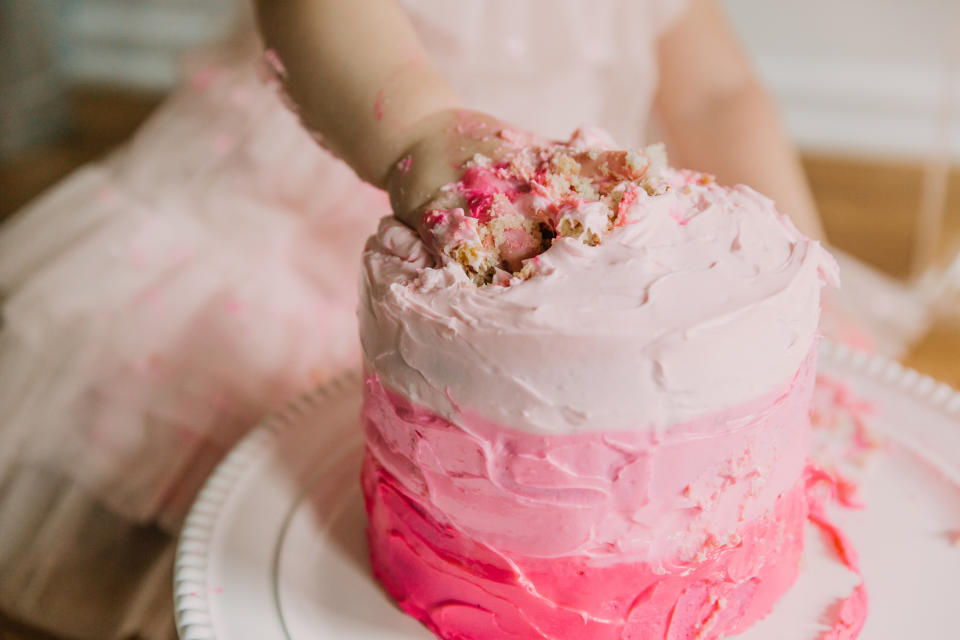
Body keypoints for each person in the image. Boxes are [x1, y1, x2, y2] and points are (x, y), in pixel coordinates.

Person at [0, 1, 826, 638]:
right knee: (229, 482)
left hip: (549, 260)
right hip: (316, 189)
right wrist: (423, 135)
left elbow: (718, 96)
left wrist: (797, 281)